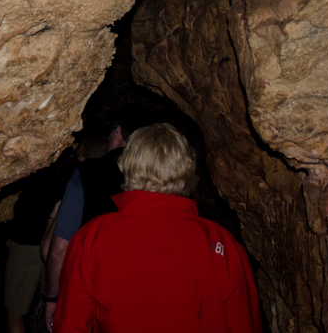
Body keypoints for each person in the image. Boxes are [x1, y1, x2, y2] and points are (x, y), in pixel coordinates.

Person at [54, 123, 261, 333]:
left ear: (127, 165)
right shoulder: (222, 244)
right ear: (186, 169)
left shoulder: (92, 237)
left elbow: (71, 325)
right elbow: (243, 324)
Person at [43, 118, 136, 328]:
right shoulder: (143, 181)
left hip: (84, 287)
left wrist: (52, 298)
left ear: (118, 131)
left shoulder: (87, 174)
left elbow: (55, 249)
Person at [4, 158, 70, 333]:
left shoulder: (35, 170)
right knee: (46, 305)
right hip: (53, 242)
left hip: (27, 242)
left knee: (15, 310)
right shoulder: (67, 170)